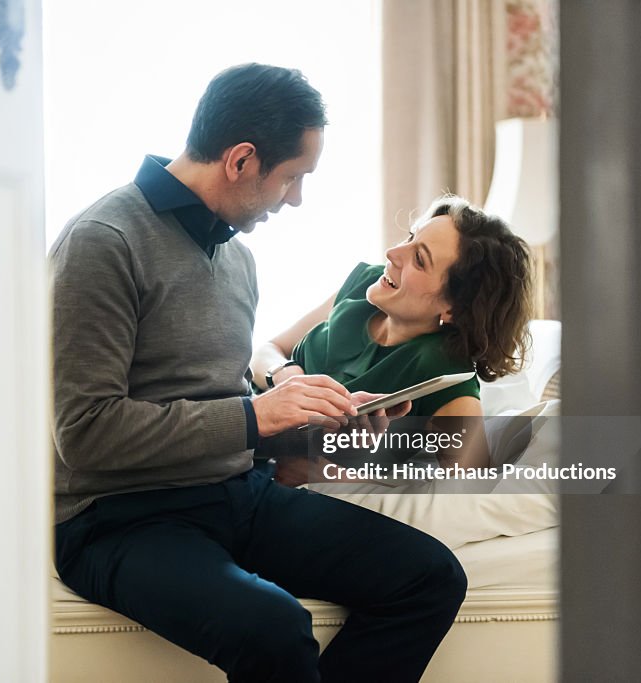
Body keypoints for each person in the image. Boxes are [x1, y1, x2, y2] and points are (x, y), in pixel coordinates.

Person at [51, 63, 466, 683]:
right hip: (120, 518)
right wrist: (254, 413)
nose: (294, 199)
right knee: (272, 626)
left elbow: (216, 402)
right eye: (293, 178)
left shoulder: (238, 258)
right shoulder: (103, 240)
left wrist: (316, 417)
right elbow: (84, 432)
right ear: (241, 160)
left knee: (430, 578)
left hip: (237, 495)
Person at [250, 196, 534, 481]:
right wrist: (286, 377)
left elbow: (472, 485)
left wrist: (331, 474)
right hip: (243, 418)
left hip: (257, 468)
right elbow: (268, 350)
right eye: (411, 237)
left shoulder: (442, 371)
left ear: (454, 308)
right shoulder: (366, 283)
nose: (393, 252)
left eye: (419, 259)